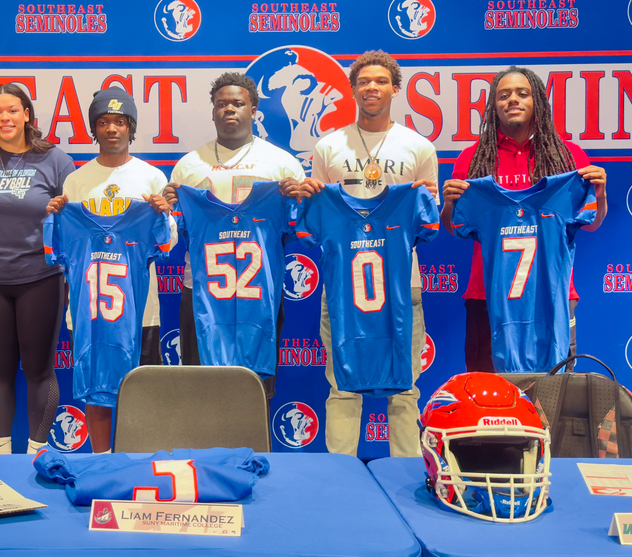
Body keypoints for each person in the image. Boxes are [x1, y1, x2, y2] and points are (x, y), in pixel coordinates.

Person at [303, 50, 438, 458]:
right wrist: (308, 196)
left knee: (404, 388)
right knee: (342, 384)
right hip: (342, 286)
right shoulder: (328, 147)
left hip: (402, 285)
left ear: (395, 88)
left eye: (381, 81)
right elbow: (315, 222)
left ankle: (405, 477)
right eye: (364, 82)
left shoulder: (418, 147)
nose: (372, 88)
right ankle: (340, 478)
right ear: (353, 89)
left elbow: (429, 221)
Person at [439, 66, 607, 373]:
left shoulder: (567, 156)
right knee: (488, 397)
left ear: (538, 101)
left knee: (552, 398)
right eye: (503, 95)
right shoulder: (472, 158)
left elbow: (592, 223)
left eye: (522, 93)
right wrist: (448, 205)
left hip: (553, 295)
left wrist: (600, 193)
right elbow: (456, 228)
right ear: (493, 105)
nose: (512, 100)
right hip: (486, 295)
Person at [45, 86, 173, 453]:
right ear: (93, 129)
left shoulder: (151, 177)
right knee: (97, 391)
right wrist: (55, 215)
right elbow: (60, 245)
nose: (112, 129)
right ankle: (101, 462)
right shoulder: (76, 181)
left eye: (120, 122)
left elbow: (168, 244)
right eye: (103, 122)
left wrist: (162, 214)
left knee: (141, 392)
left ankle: (138, 466)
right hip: (89, 310)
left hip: (140, 311)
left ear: (131, 127)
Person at [163, 72, 305, 400]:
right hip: (200, 289)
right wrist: (166, 208)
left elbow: (298, 231)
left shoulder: (283, 164)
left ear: (253, 109)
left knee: (256, 388)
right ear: (212, 111)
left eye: (238, 103)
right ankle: (205, 453)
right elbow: (170, 235)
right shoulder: (188, 167)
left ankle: (254, 452)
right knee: (201, 390)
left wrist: (299, 201)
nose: (230, 109)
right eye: (221, 103)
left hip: (259, 292)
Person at [0, 84, 75, 455]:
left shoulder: (56, 160)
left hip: (40, 277)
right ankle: (2, 459)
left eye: (12, 110)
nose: (4, 118)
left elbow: (71, 223)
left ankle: (35, 456)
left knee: (39, 370)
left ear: (27, 114)